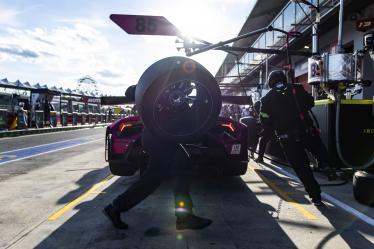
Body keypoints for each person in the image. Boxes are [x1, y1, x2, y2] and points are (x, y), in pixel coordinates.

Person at [103, 103, 212, 230]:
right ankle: (185, 218)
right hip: (159, 138)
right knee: (182, 170)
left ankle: (115, 208)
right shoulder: (160, 89)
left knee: (152, 180)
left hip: (159, 137)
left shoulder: (177, 92)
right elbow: (134, 92)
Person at [259, 70, 330, 206]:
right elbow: (310, 103)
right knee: (318, 148)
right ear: (284, 79)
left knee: (302, 169)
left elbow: (264, 121)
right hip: (308, 131)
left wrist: (273, 125)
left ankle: (316, 197)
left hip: (288, 139)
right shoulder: (296, 88)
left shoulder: (266, 99)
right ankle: (325, 164)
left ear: (270, 82)